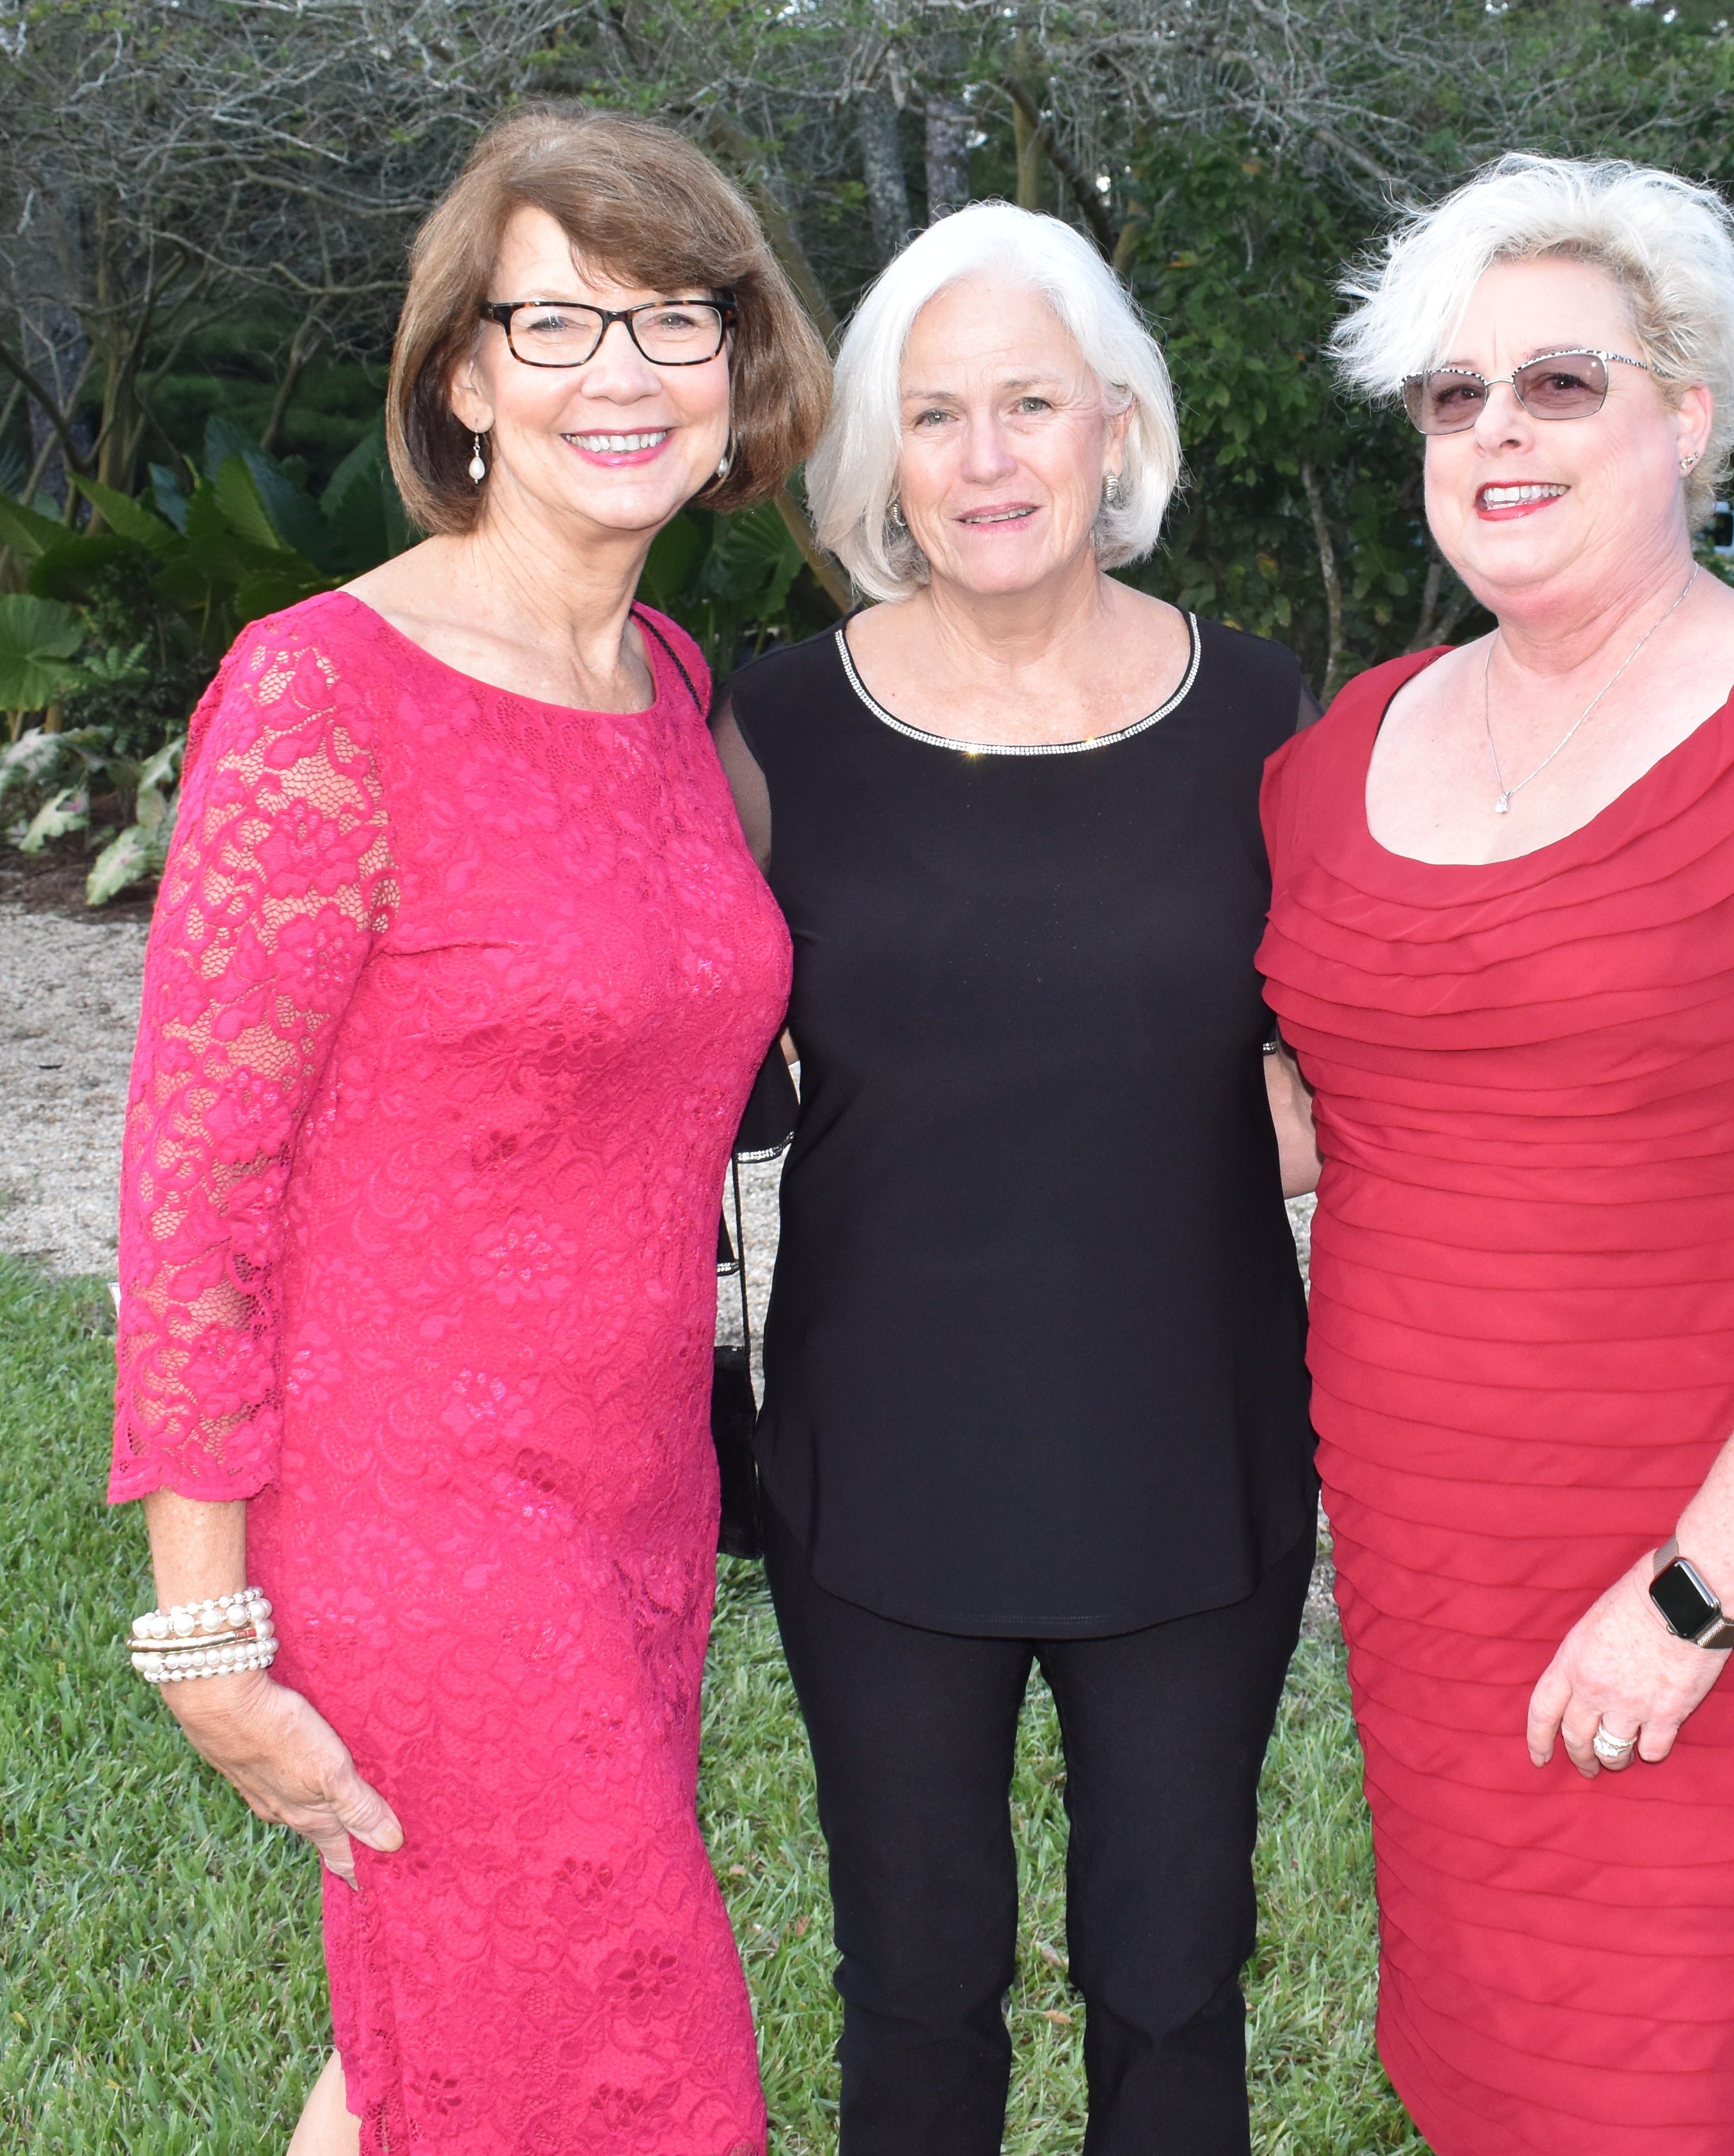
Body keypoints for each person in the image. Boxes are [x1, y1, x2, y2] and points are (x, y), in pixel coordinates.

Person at [1256, 153, 1734, 2156]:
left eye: (1558, 382)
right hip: (1430, 1573)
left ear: (1686, 413)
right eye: (1454, 394)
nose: (1496, 430)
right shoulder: (1342, 757)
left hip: (1715, 1574)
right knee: (1485, 2077)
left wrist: (1690, 1598)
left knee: (1659, 2094)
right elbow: (1328, 1111)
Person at [107, 109, 827, 2155]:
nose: (623, 372)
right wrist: (205, 1624)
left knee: (441, 2040)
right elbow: (195, 1190)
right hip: (420, 1525)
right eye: (556, 323)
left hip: (635, 1499)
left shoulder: (670, 682)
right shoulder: (322, 693)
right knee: (630, 2061)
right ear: (463, 381)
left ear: (738, 365)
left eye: (674, 319)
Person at [709, 202, 1321, 2156]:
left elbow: (1358, 1064)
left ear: (1115, 425)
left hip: (1193, 1456)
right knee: (912, 1980)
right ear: (879, 457)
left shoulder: (1266, 715)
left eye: (1030, 404)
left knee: (1174, 1978)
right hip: (879, 1464)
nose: (985, 457)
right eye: (934, 412)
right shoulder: (767, 725)